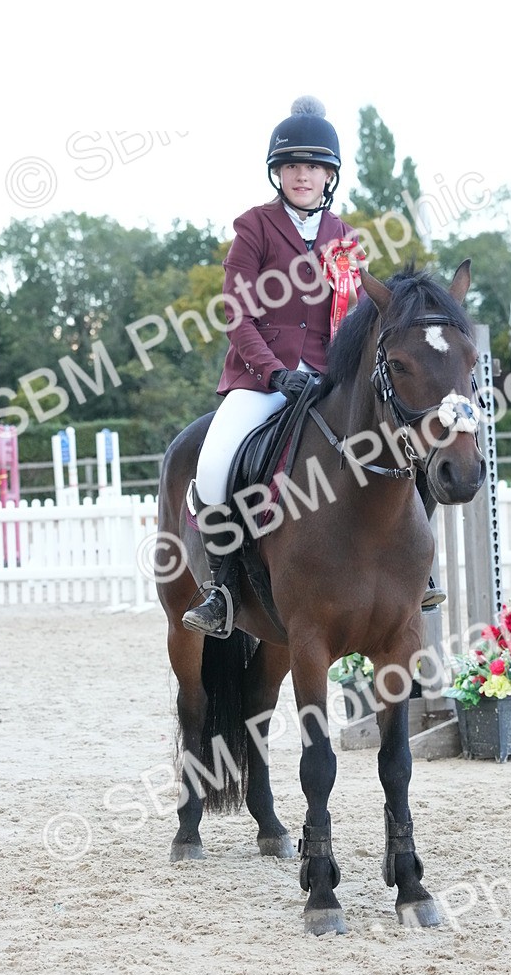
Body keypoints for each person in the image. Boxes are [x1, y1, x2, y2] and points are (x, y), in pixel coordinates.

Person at [182, 96, 445, 637]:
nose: (302, 176)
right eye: (292, 166)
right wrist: (273, 372)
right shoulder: (254, 228)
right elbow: (236, 313)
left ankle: (415, 570)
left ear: (329, 176)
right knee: (213, 466)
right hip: (263, 380)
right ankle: (223, 589)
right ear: (277, 173)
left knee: (408, 446)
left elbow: (358, 315)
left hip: (331, 378)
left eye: (313, 167)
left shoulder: (344, 238)